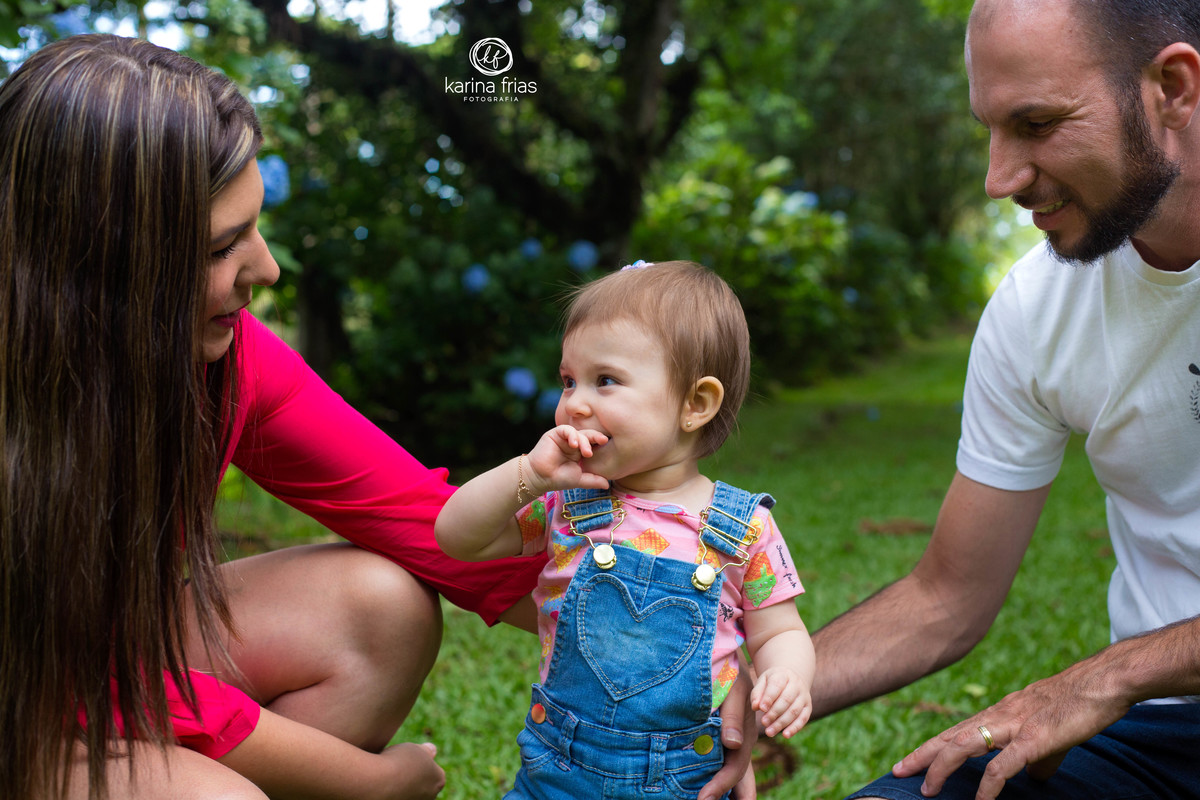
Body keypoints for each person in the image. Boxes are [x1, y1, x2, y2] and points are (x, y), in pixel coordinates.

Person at [0, 34, 547, 800]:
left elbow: (428, 522)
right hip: (26, 694)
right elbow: (68, 677)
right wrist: (363, 781)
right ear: (101, 268)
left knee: (379, 610)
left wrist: (696, 647)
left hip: (98, 660)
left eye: (255, 226)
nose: (268, 268)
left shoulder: (226, 364)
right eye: (224, 246)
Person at [806, 1, 1200, 799]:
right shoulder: (1035, 308)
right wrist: (734, 702)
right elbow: (946, 596)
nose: (1000, 179)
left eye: (1037, 123)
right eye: (991, 128)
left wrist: (1102, 679)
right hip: (1162, 735)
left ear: (1174, 87)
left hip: (1129, 694)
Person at [436, 260, 816, 799]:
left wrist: (787, 676)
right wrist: (528, 475)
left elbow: (779, 630)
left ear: (695, 404)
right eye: (568, 381)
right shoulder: (567, 503)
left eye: (605, 381)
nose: (575, 402)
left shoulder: (744, 527)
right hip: (558, 766)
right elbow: (456, 536)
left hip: (686, 777)